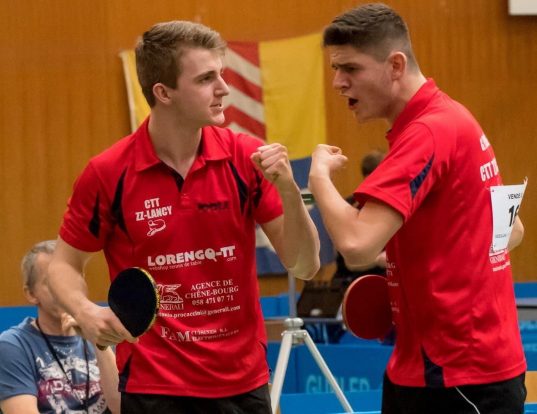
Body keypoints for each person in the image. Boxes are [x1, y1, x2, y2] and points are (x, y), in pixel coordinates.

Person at [47, 20, 320, 414]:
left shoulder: (246, 158)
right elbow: (64, 263)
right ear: (164, 92)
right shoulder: (108, 173)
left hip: (243, 384)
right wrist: (84, 310)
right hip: (154, 387)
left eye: (221, 74)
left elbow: (305, 265)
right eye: (206, 79)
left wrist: (290, 192)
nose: (224, 88)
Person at [309, 3, 526, 413]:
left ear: (395, 65)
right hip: (430, 364)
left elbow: (356, 245)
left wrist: (319, 176)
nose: (338, 82)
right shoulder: (454, 118)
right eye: (336, 69)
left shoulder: (427, 132)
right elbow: (512, 231)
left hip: (458, 375)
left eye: (350, 68)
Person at [0, 240, 120, 414]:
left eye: (72, 280)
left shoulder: (105, 335)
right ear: (31, 294)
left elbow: (120, 407)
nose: (64, 291)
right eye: (52, 283)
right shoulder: (13, 346)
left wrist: (98, 341)